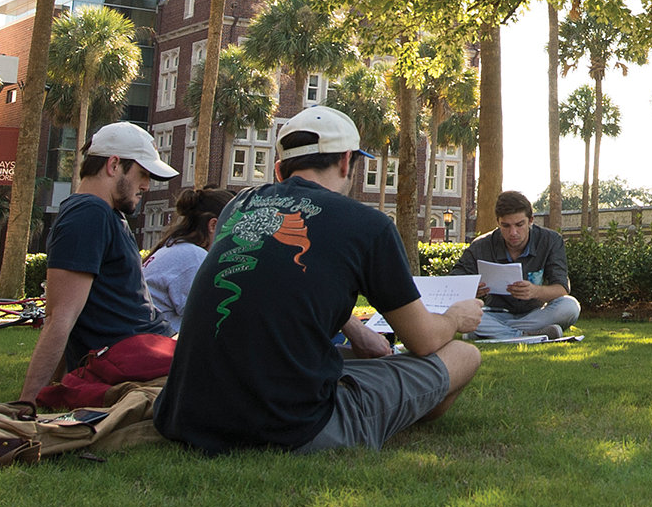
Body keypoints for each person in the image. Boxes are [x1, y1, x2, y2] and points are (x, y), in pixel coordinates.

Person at [155, 107, 480, 454]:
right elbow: (424, 340)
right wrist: (455, 318)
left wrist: (355, 330)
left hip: (186, 415)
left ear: (279, 169)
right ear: (346, 161)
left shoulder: (239, 206)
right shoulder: (368, 225)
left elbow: (277, 281)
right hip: (291, 426)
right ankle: (374, 418)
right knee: (463, 355)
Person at [15, 122, 179, 404]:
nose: (146, 186)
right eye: (142, 174)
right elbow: (60, 317)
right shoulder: (87, 215)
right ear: (113, 165)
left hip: (154, 349)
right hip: (136, 358)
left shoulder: (108, 214)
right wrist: (28, 402)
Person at [446, 190, 578, 339]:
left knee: (570, 306)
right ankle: (525, 336)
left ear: (531, 220)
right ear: (498, 222)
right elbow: (454, 284)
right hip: (493, 313)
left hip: (535, 314)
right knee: (460, 313)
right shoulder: (481, 246)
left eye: (519, 224)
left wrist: (535, 291)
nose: (513, 232)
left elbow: (561, 288)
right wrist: (471, 290)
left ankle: (493, 333)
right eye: (506, 226)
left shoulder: (550, 240)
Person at [140, 186, 236, 336]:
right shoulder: (193, 256)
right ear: (213, 225)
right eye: (232, 229)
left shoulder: (175, 247)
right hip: (160, 342)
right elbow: (207, 317)